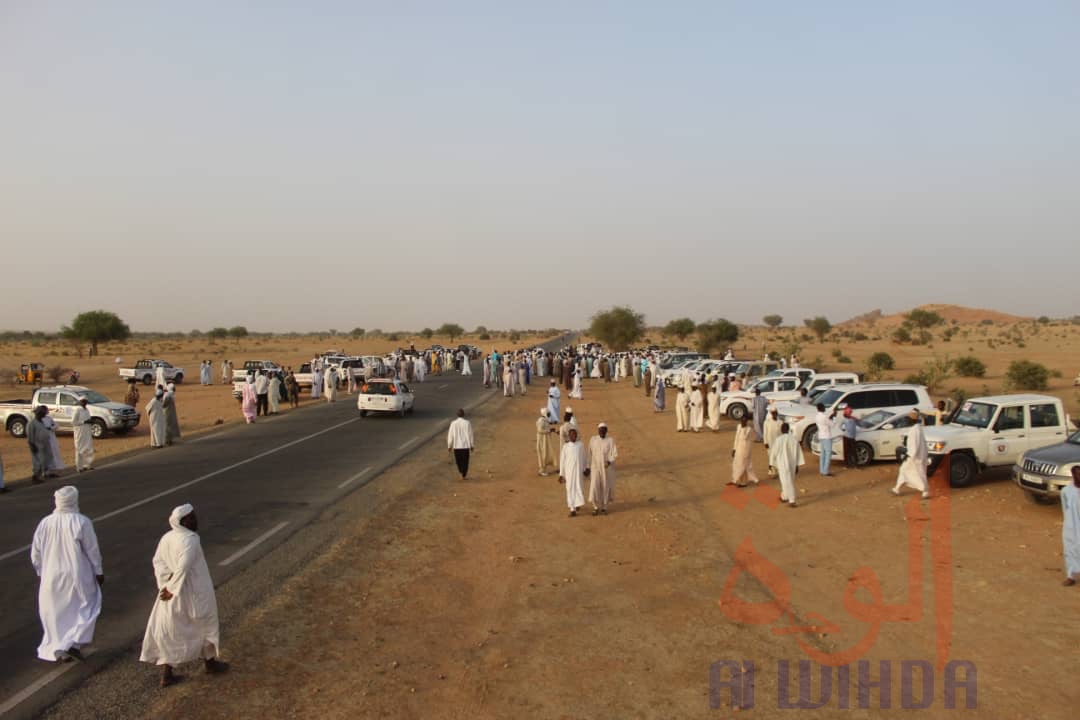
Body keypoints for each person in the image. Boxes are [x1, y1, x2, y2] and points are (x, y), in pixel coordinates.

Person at [140, 505, 228, 687]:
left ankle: (169, 674)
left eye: (194, 516)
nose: (195, 520)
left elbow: (158, 563)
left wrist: (165, 584)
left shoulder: (167, 537)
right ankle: (209, 665)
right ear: (182, 522)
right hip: (193, 591)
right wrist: (171, 587)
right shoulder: (191, 539)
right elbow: (184, 566)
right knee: (205, 624)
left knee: (173, 630)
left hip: (172, 593)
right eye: (191, 518)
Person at [31, 486, 104, 662]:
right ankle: (71, 644)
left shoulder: (45, 522)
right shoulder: (81, 521)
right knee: (88, 605)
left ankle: (61, 648)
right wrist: (98, 571)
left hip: (51, 575)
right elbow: (92, 550)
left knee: (56, 613)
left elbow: (35, 553)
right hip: (77, 575)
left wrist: (42, 571)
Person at [892, 408, 929, 499]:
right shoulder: (917, 428)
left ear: (912, 419)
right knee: (904, 470)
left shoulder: (915, 430)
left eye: (908, 418)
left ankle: (925, 491)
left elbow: (914, 445)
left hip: (915, 456)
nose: (907, 420)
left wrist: (908, 455)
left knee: (918, 473)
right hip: (918, 455)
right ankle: (897, 488)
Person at [769, 423, 804, 507]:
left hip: (782, 464)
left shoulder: (778, 440)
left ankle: (792, 500)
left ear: (781, 430)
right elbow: (798, 453)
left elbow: (773, 452)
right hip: (792, 464)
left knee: (786, 482)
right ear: (788, 429)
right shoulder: (794, 439)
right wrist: (797, 465)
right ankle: (784, 496)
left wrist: (771, 464)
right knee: (788, 481)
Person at [587, 423, 618, 515]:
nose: (602, 432)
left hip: (606, 467)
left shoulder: (610, 440)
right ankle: (595, 507)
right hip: (595, 466)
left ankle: (604, 507)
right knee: (594, 486)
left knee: (605, 486)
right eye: (600, 430)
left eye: (604, 430)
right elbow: (589, 453)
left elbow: (614, 453)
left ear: (606, 431)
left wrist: (609, 461)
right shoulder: (593, 440)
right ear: (598, 431)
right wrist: (587, 466)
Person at [558, 428, 587, 517]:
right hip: (569, 473)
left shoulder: (580, 445)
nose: (573, 436)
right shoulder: (565, 447)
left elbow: (584, 458)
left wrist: (586, 468)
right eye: (571, 435)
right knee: (570, 489)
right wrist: (561, 474)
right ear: (569, 436)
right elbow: (562, 461)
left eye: (575, 434)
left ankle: (577, 504)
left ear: (576, 435)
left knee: (579, 487)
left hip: (578, 472)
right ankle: (572, 509)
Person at [730, 415, 760, 488]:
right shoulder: (739, 426)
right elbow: (736, 438)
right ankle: (737, 479)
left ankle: (742, 482)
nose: (742, 422)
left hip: (745, 449)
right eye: (742, 421)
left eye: (744, 421)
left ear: (746, 421)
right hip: (738, 448)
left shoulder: (749, 429)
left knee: (743, 465)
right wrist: (734, 449)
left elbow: (748, 437)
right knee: (738, 464)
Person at [1062, 466, 1080, 586]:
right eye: (1077, 474)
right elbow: (1065, 509)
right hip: (1071, 526)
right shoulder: (1066, 491)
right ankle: (1071, 576)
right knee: (1070, 549)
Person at [447, 409, 474, 479]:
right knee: (465, 461)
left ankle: (461, 472)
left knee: (458, 461)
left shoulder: (453, 423)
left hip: (456, 446)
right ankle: (463, 474)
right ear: (463, 414)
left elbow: (450, 435)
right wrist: (472, 445)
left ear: (457, 415)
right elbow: (471, 434)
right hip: (465, 446)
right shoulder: (467, 423)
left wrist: (449, 445)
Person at [28, 405, 52, 483]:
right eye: (43, 413)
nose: (45, 414)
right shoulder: (32, 423)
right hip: (37, 445)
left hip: (44, 443)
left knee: (46, 459)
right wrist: (32, 446)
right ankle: (35, 476)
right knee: (38, 461)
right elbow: (30, 436)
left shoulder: (41, 422)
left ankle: (45, 473)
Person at [72, 397, 95, 472]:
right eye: (83, 401)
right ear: (80, 402)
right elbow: (73, 422)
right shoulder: (77, 410)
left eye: (85, 401)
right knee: (79, 449)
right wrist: (84, 422)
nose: (85, 403)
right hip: (80, 432)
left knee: (88, 448)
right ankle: (79, 467)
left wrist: (90, 421)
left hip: (87, 431)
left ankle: (87, 465)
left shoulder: (87, 409)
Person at [815, 404, 837, 476]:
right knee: (828, 454)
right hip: (826, 436)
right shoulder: (824, 417)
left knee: (823, 454)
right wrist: (834, 417)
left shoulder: (817, 416)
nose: (825, 408)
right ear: (822, 408)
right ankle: (825, 471)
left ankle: (822, 470)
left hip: (821, 435)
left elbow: (826, 422)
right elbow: (832, 425)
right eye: (824, 407)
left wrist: (831, 416)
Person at [42, 413, 65, 477]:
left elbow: (56, 425)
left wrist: (51, 427)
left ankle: (51, 472)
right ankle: (44, 472)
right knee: (45, 455)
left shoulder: (49, 418)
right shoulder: (38, 420)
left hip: (52, 439)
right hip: (44, 439)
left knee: (53, 454)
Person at [536, 408, 557, 476]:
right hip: (542, 441)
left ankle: (543, 469)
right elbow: (540, 430)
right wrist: (549, 431)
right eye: (548, 413)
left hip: (545, 440)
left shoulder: (544, 420)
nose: (549, 414)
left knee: (545, 454)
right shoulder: (541, 421)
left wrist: (551, 430)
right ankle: (542, 470)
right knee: (543, 454)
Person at [763, 408, 782, 476]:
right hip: (769, 443)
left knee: (778, 457)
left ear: (777, 413)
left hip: (778, 443)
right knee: (771, 457)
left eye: (775, 413)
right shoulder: (767, 422)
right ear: (771, 414)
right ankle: (772, 471)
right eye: (773, 413)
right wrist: (765, 442)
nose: (774, 414)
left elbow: (781, 433)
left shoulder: (780, 422)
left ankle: (778, 471)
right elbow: (765, 433)